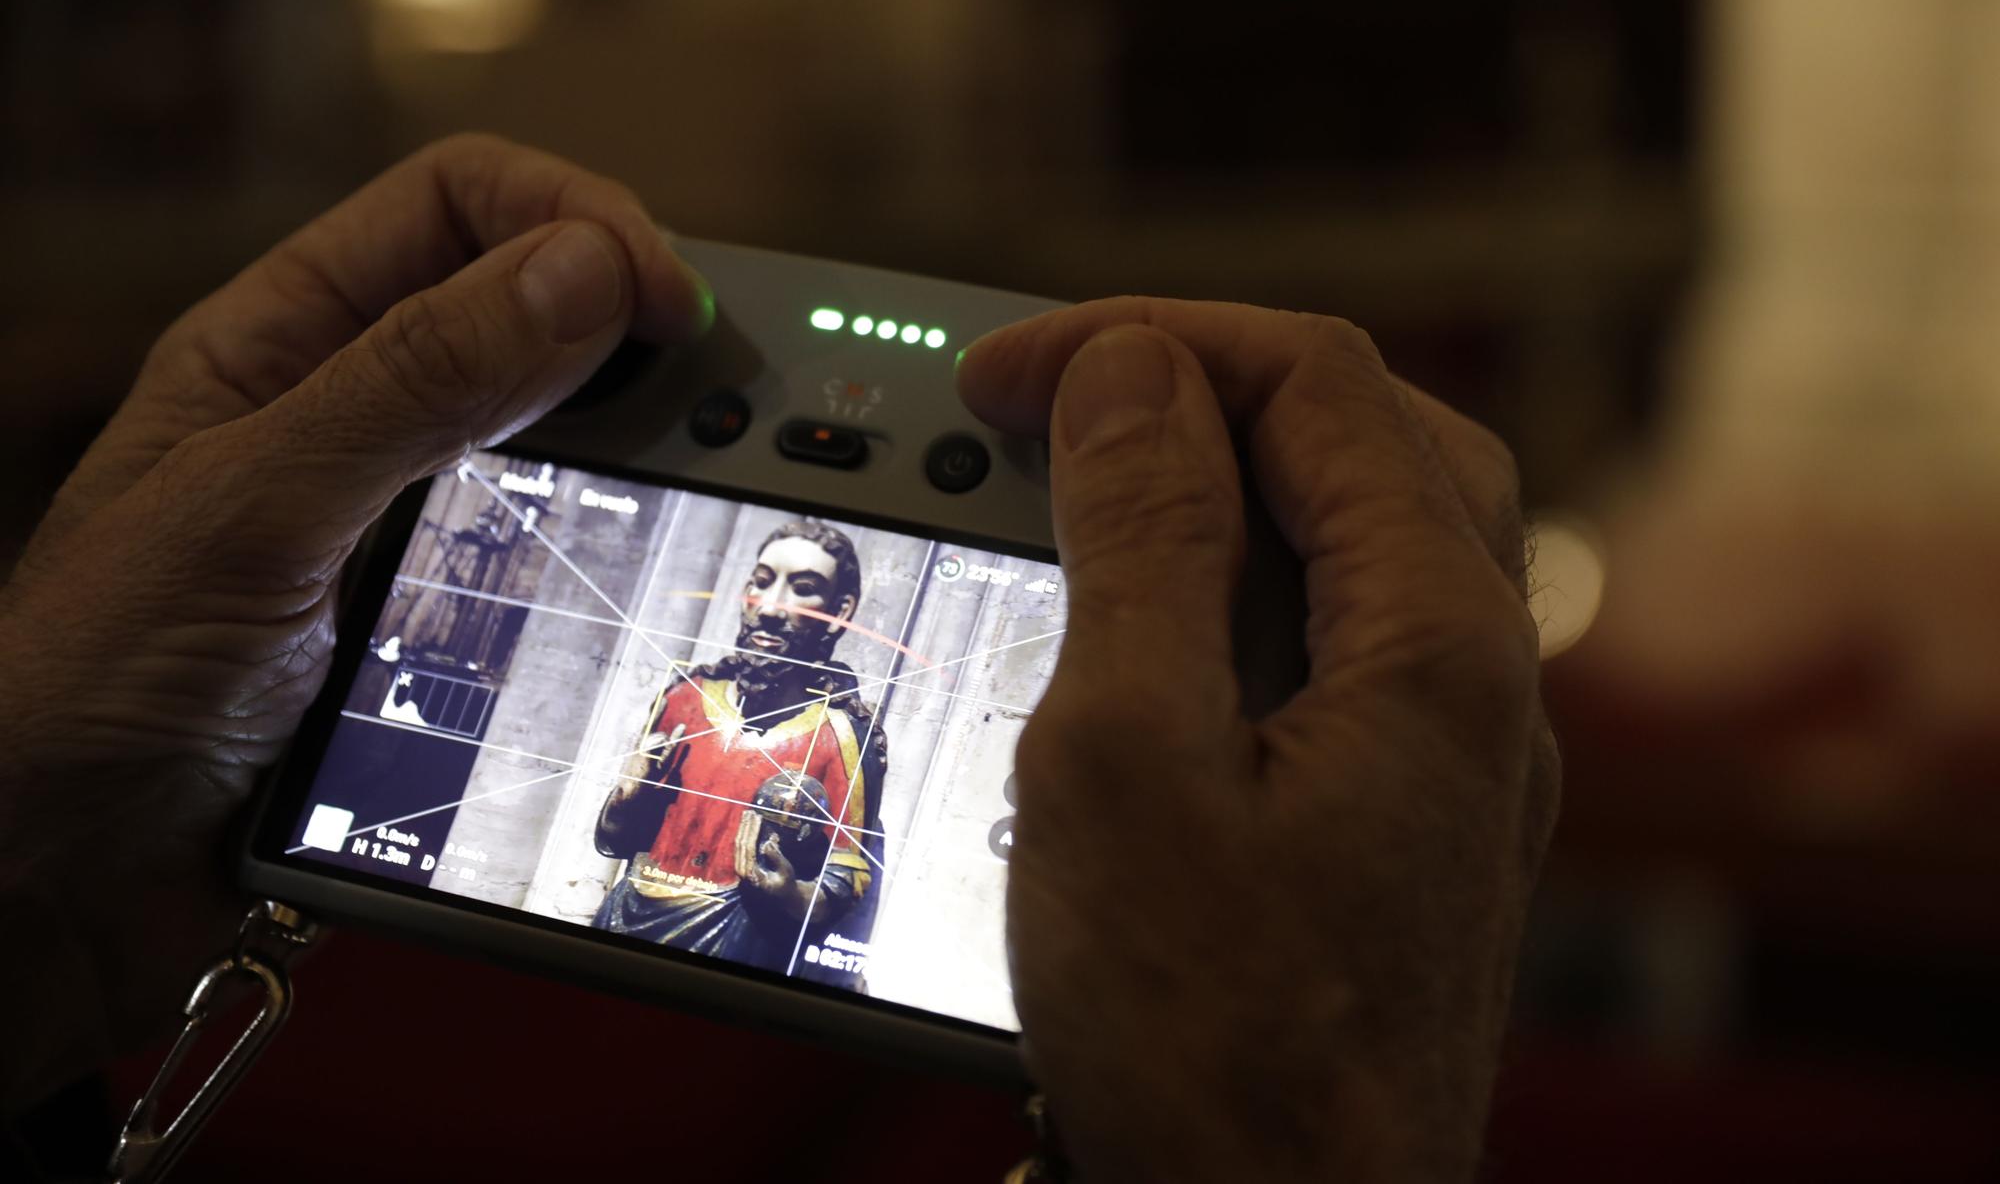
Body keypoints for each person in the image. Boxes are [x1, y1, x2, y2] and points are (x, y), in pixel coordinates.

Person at [0, 135, 1556, 1182]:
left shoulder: (848, 728)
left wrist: (806, 864)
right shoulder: (681, 689)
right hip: (628, 917)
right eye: (774, 585)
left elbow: (855, 888)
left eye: (814, 592)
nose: (787, 608)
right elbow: (612, 823)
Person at [591, 519, 888, 971]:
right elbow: (616, 842)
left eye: (802, 588)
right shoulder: (685, 697)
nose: (770, 608)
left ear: (840, 611)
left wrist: (792, 894)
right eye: (762, 583)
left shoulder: (841, 734)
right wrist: (624, 800)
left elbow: (846, 876)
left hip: (737, 941)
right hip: (624, 919)